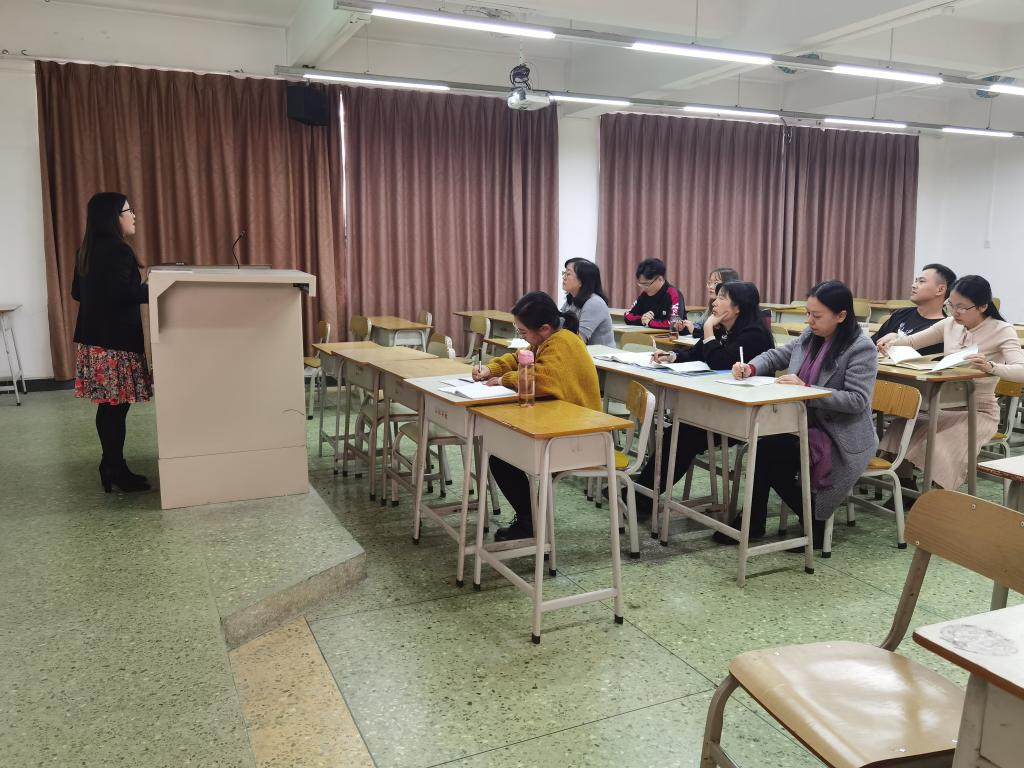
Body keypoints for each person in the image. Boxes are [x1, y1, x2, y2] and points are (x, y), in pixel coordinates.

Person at [729, 280, 878, 549]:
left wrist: (808, 389)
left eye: (816, 315)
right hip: (805, 425)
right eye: (808, 313)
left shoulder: (860, 347)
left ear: (841, 315)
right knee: (766, 449)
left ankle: (804, 521)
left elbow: (857, 400)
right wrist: (750, 368)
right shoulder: (811, 336)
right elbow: (775, 356)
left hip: (841, 435)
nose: (809, 321)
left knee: (768, 453)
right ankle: (763, 521)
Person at [631, 281, 774, 518]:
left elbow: (719, 362)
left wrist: (707, 327)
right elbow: (696, 353)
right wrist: (671, 356)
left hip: (743, 416)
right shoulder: (722, 328)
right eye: (717, 297)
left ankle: (642, 498)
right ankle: (642, 495)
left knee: (682, 436)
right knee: (676, 432)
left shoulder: (753, 334)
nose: (715, 302)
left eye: (722, 298)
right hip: (718, 407)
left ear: (738, 307)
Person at [472, 291, 602, 541]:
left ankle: (529, 522)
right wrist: (491, 369)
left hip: (582, 438)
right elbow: (519, 358)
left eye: (522, 331)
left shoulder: (562, 342)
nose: (520, 336)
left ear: (543, 328)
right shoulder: (547, 339)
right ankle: (530, 519)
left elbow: (541, 380)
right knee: (501, 451)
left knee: (501, 456)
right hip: (564, 426)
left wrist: (503, 379)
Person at [877, 275, 1024, 494]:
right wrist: (892, 339)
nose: (955, 312)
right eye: (951, 305)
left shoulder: (1001, 330)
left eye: (962, 307)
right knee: (901, 426)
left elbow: (1021, 370)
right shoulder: (950, 324)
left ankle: (939, 497)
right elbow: (912, 341)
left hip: (978, 411)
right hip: (943, 406)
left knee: (941, 443)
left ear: (983, 306)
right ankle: (907, 489)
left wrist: (991, 367)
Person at [71, 192, 152, 493]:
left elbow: (77, 292)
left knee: (108, 407)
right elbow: (124, 295)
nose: (134, 216)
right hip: (116, 343)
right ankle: (114, 469)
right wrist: (153, 287)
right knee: (116, 409)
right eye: (129, 211)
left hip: (94, 343)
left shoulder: (85, 250)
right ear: (114, 218)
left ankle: (112, 466)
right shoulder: (120, 251)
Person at [873, 263, 956, 355]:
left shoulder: (943, 329)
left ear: (940, 290)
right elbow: (872, 343)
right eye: (915, 281)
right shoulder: (901, 314)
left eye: (921, 281)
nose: (914, 285)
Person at [560, 258, 615, 347]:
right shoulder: (571, 300)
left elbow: (579, 338)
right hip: (583, 351)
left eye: (568, 274)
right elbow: (559, 326)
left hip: (601, 354)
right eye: (564, 273)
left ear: (581, 281)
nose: (564, 277)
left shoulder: (595, 303)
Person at [676, 267, 740, 336]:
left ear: (728, 284)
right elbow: (698, 326)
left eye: (715, 283)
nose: (710, 287)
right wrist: (685, 327)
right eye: (709, 283)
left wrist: (695, 331)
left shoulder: (730, 308)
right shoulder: (712, 303)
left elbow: (717, 334)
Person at [623, 258, 684, 330]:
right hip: (647, 334)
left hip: (672, 336)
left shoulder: (673, 294)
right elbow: (627, 316)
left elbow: (675, 323)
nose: (644, 288)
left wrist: (650, 322)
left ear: (660, 279)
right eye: (641, 284)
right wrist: (642, 319)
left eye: (646, 284)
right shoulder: (644, 294)